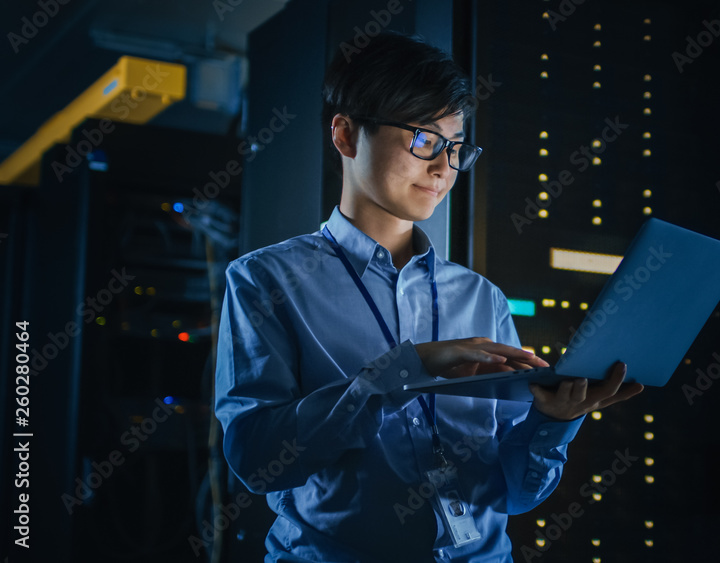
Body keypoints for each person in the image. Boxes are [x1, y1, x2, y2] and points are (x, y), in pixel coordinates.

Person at [214, 31, 643, 562]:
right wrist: (404, 370)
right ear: (346, 135)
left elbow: (511, 495)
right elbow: (256, 460)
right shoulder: (266, 280)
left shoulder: (482, 298)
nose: (444, 168)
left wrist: (551, 423)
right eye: (423, 139)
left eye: (456, 147)